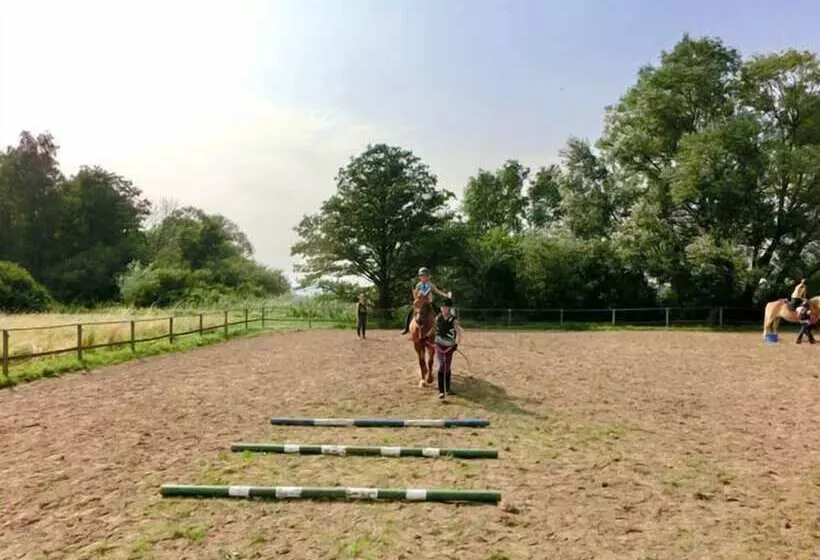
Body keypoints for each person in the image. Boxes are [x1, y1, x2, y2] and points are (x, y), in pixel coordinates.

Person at [399, 267, 450, 335]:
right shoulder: (418, 285)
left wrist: (445, 295)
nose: (424, 277)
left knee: (440, 313)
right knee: (410, 313)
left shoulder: (430, 284)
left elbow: (437, 291)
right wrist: (417, 297)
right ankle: (406, 328)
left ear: (428, 276)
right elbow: (416, 294)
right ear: (420, 277)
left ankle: (442, 329)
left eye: (425, 276)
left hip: (429, 303)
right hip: (420, 304)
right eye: (422, 276)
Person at [434, 297, 462, 399]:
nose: (444, 309)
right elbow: (434, 330)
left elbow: (459, 333)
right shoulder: (437, 318)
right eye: (442, 307)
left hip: (449, 346)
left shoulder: (453, 320)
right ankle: (441, 391)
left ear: (449, 308)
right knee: (442, 365)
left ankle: (448, 389)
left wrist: (456, 344)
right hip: (439, 346)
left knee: (447, 366)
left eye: (446, 307)